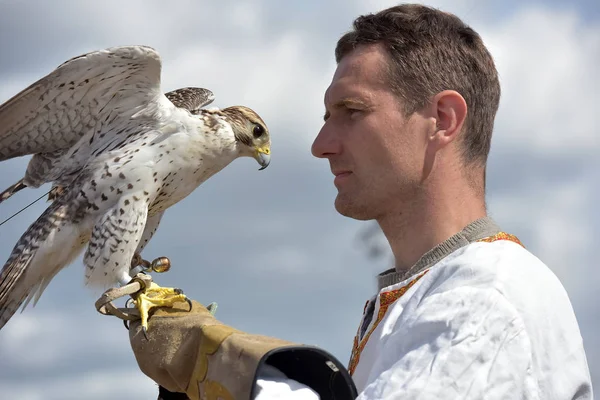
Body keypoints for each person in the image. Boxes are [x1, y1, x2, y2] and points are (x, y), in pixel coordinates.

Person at [107, 3, 594, 399]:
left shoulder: (484, 299)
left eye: (352, 111)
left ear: (443, 120)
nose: (321, 144)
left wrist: (221, 364)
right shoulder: (432, 291)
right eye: (326, 115)